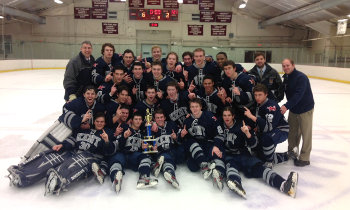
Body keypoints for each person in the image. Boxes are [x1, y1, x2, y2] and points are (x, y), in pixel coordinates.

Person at [7, 112, 117, 196]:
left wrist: (106, 141)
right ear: (94, 121)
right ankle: (24, 174)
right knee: (54, 157)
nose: (99, 123)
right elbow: (74, 140)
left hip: (91, 156)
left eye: (102, 122)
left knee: (76, 162)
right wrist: (62, 145)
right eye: (97, 121)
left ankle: (59, 178)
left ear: (105, 123)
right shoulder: (85, 130)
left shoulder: (108, 133)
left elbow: (110, 152)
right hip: (74, 152)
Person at [220, 107, 298, 198]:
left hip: (244, 155)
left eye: (229, 115)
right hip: (230, 156)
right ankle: (235, 182)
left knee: (260, 168)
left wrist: (247, 134)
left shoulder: (242, 125)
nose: (227, 118)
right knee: (230, 166)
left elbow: (254, 144)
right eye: (224, 115)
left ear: (233, 116)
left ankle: (284, 185)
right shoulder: (219, 126)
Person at [181, 98, 226, 189]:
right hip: (197, 147)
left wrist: (216, 146)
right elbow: (186, 140)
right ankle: (204, 164)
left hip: (209, 144)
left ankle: (219, 174)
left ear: (201, 107)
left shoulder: (209, 116)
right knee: (192, 166)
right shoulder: (187, 121)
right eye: (192, 107)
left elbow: (220, 133)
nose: (194, 109)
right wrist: (182, 135)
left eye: (196, 106)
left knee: (218, 154)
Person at [107, 112, 158, 193]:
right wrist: (124, 137)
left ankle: (144, 177)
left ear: (142, 121)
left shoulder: (143, 133)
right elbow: (118, 145)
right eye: (136, 119)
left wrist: (146, 148)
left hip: (134, 156)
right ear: (132, 120)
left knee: (146, 158)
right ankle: (116, 179)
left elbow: (146, 148)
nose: (138, 121)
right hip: (122, 154)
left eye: (140, 119)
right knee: (116, 161)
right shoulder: (124, 128)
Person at [243, 84, 289, 167]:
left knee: (266, 139)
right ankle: (286, 155)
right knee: (260, 156)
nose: (257, 97)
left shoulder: (271, 106)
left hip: (281, 130)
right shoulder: (259, 104)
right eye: (256, 95)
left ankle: (269, 161)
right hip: (271, 129)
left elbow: (268, 127)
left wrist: (251, 116)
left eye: (260, 95)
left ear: (266, 94)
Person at [281, 58, 315, 167]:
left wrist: (286, 106)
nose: (286, 68)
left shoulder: (301, 77)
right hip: (294, 108)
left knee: (306, 133)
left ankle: (305, 158)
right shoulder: (286, 77)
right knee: (292, 131)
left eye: (288, 65)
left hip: (305, 109)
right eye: (284, 66)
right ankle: (292, 151)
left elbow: (298, 95)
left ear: (293, 65)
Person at [151, 109, 180, 189]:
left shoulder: (172, 125)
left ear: (164, 118)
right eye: (157, 118)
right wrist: (152, 148)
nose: (160, 119)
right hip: (161, 153)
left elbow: (180, 138)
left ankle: (158, 166)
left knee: (177, 152)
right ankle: (170, 173)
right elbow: (148, 143)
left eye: (161, 117)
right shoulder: (152, 129)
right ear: (154, 119)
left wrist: (176, 138)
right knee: (165, 157)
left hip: (173, 151)